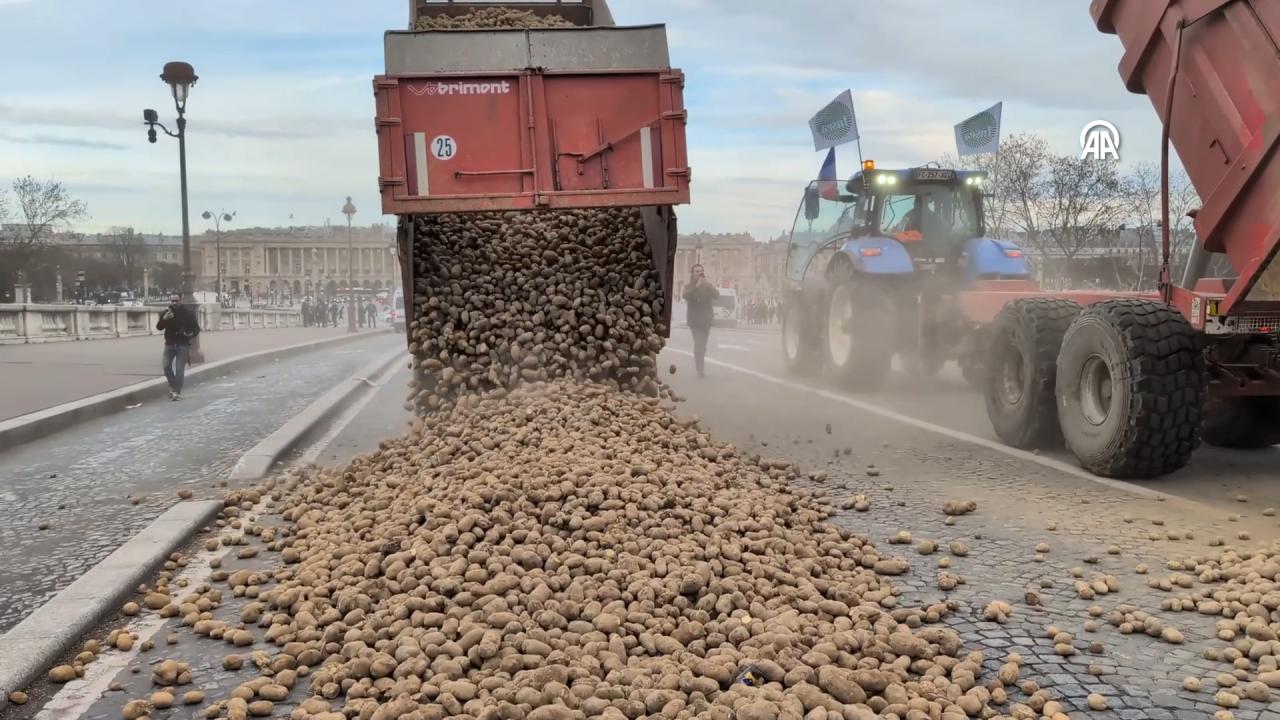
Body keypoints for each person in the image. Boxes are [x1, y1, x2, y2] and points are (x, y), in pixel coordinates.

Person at [156, 293, 201, 401]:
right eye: (172, 301)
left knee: (179, 369)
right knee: (166, 366)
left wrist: (190, 334)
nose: (174, 303)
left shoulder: (188, 314)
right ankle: (172, 386)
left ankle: (176, 391)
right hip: (169, 344)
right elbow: (159, 327)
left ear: (181, 300)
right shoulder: (166, 313)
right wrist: (164, 319)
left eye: (176, 301)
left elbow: (196, 329)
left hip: (183, 345)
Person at [682, 264, 719, 378]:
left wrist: (708, 285)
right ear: (692, 273)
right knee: (699, 344)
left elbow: (716, 295)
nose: (699, 273)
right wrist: (696, 287)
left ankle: (700, 366)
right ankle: (700, 369)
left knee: (702, 345)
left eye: (701, 271)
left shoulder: (707, 286)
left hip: (706, 320)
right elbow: (685, 295)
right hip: (695, 320)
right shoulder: (689, 286)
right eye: (697, 271)